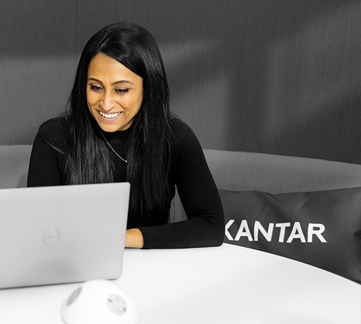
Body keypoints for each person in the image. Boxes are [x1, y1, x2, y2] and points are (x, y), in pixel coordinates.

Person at [27, 21, 224, 249]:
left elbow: (211, 225)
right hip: (74, 270)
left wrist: (121, 239)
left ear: (148, 88)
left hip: (151, 271)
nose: (106, 103)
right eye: (95, 87)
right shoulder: (54, 138)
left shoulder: (175, 138)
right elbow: (39, 230)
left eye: (121, 90)